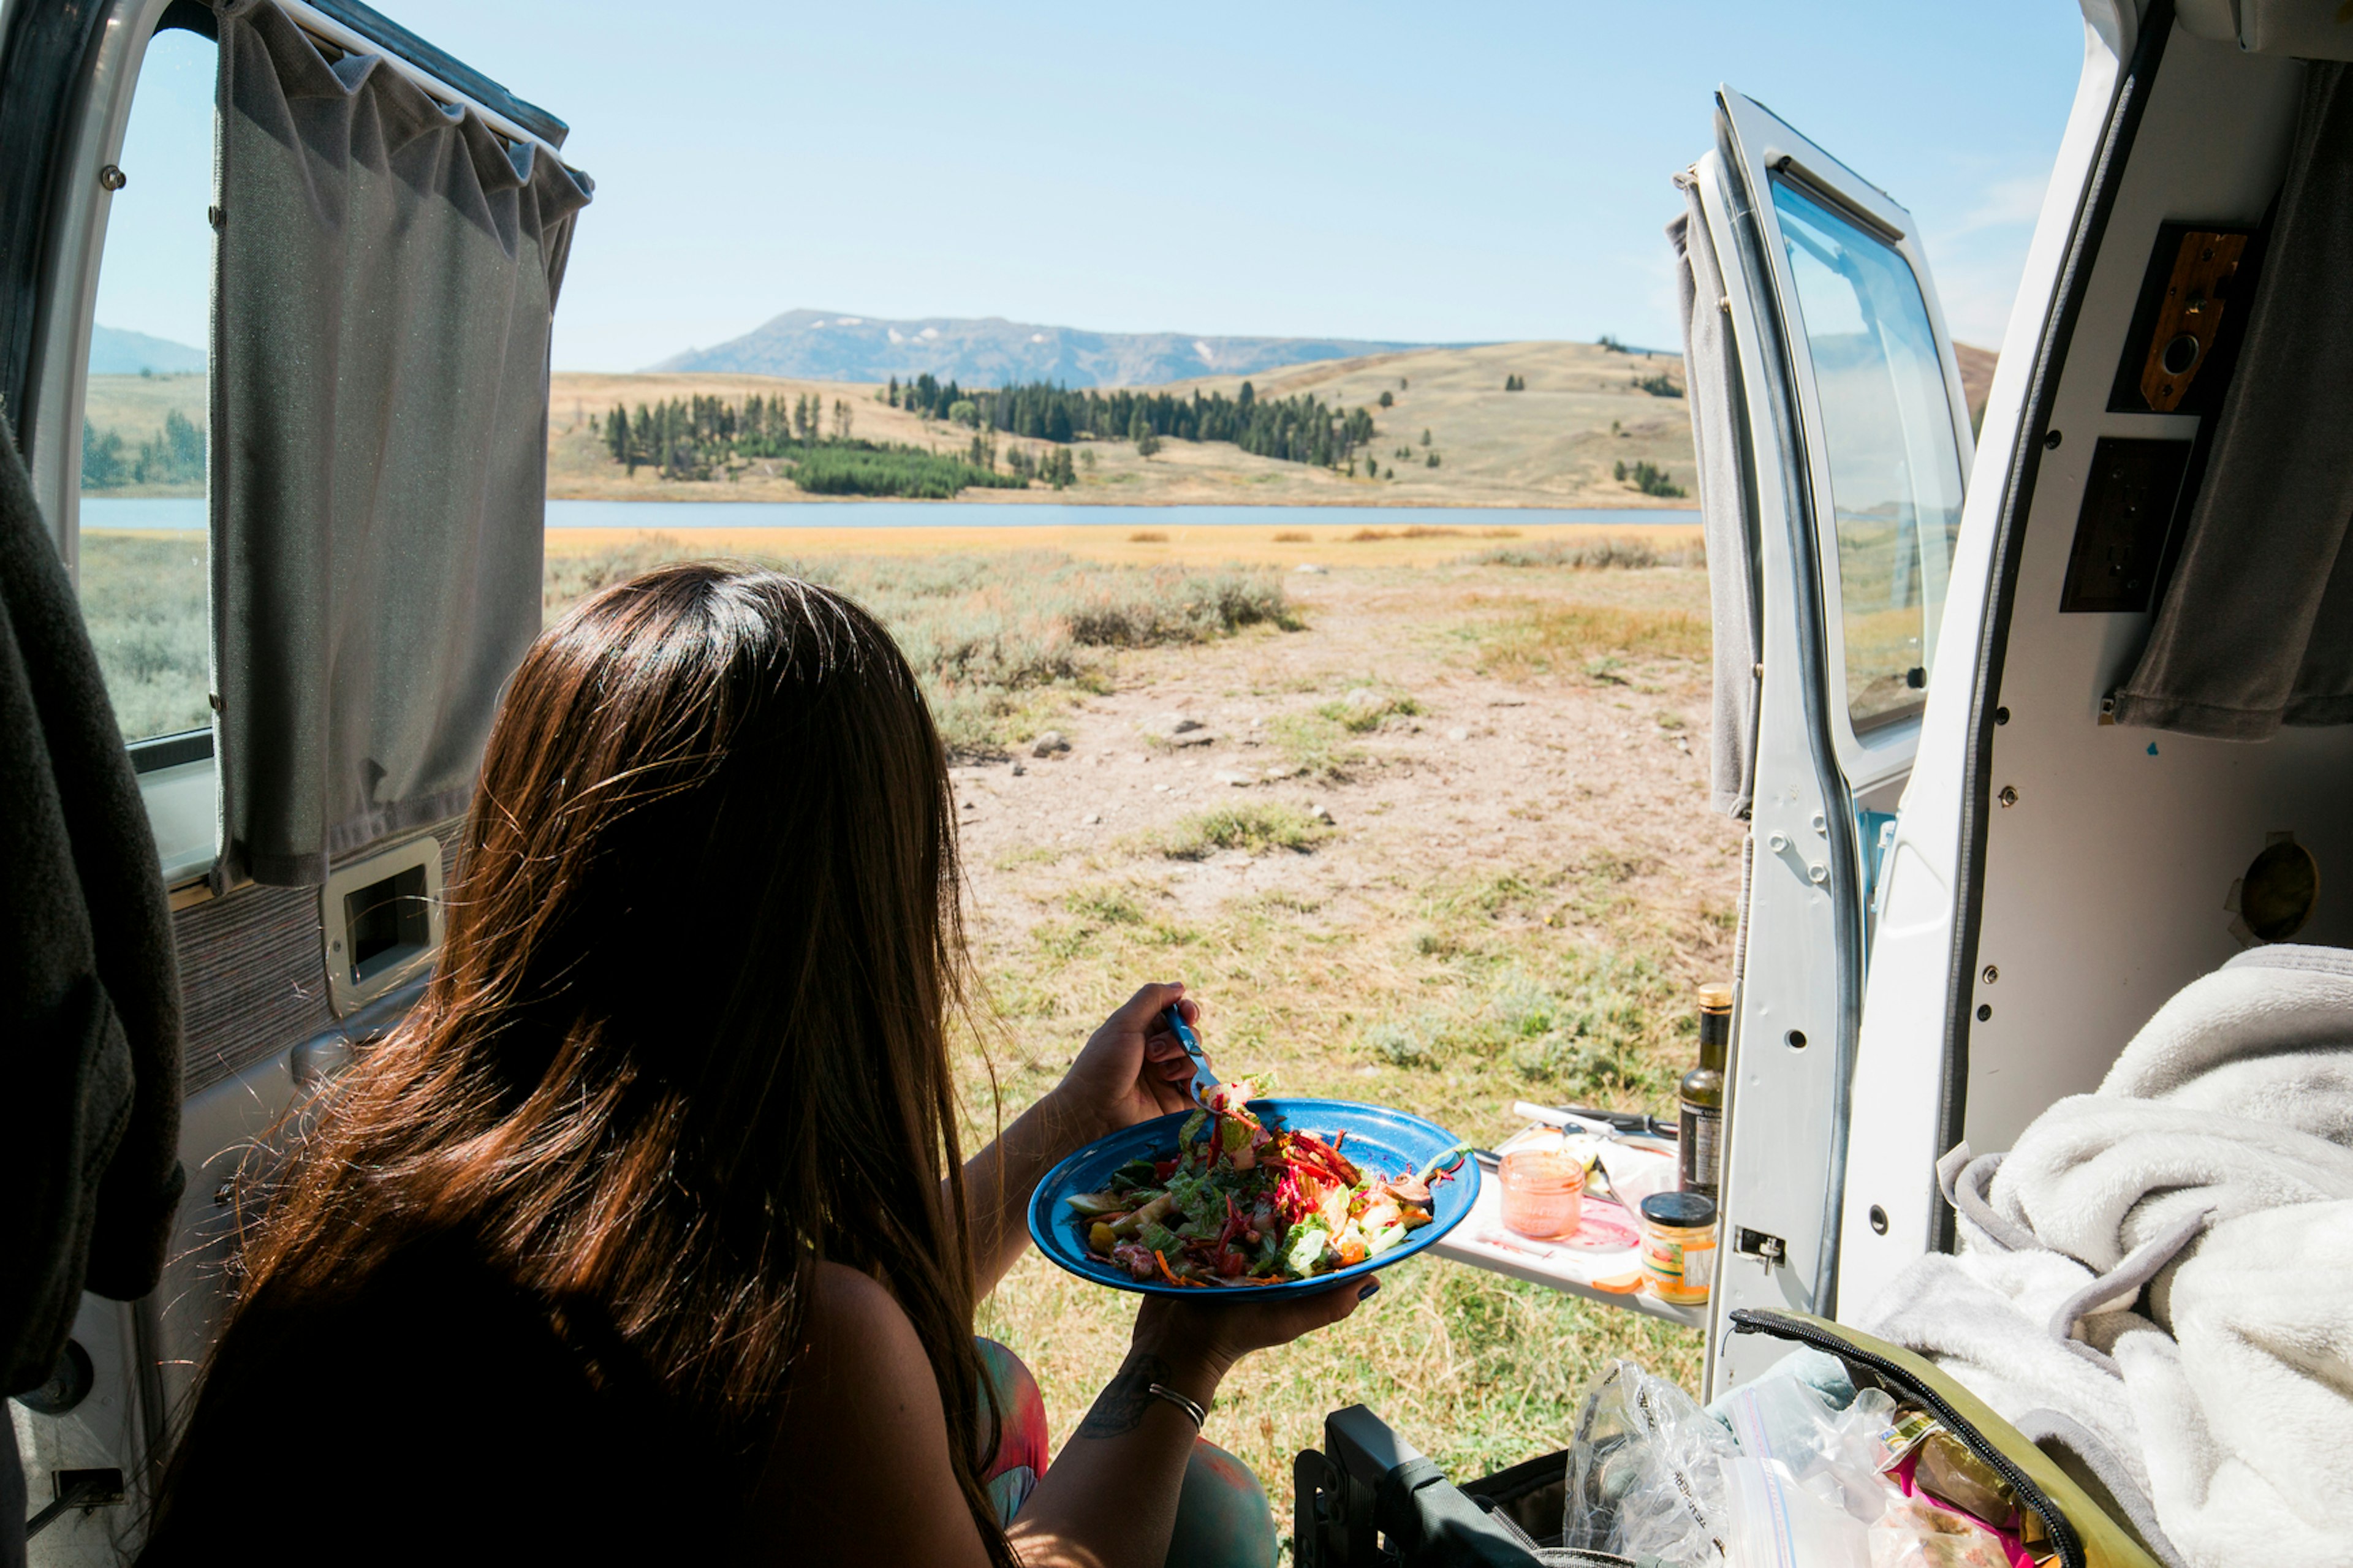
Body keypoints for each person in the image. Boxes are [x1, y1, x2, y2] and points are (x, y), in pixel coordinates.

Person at [138, 564, 1365, 1567]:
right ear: (837, 926)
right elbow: (822, 1347)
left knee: (987, 1379)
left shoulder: (393, 1170)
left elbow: (823, 1326)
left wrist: (1064, 1127)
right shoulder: (805, 1347)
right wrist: (1176, 1357)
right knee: (1206, 1514)